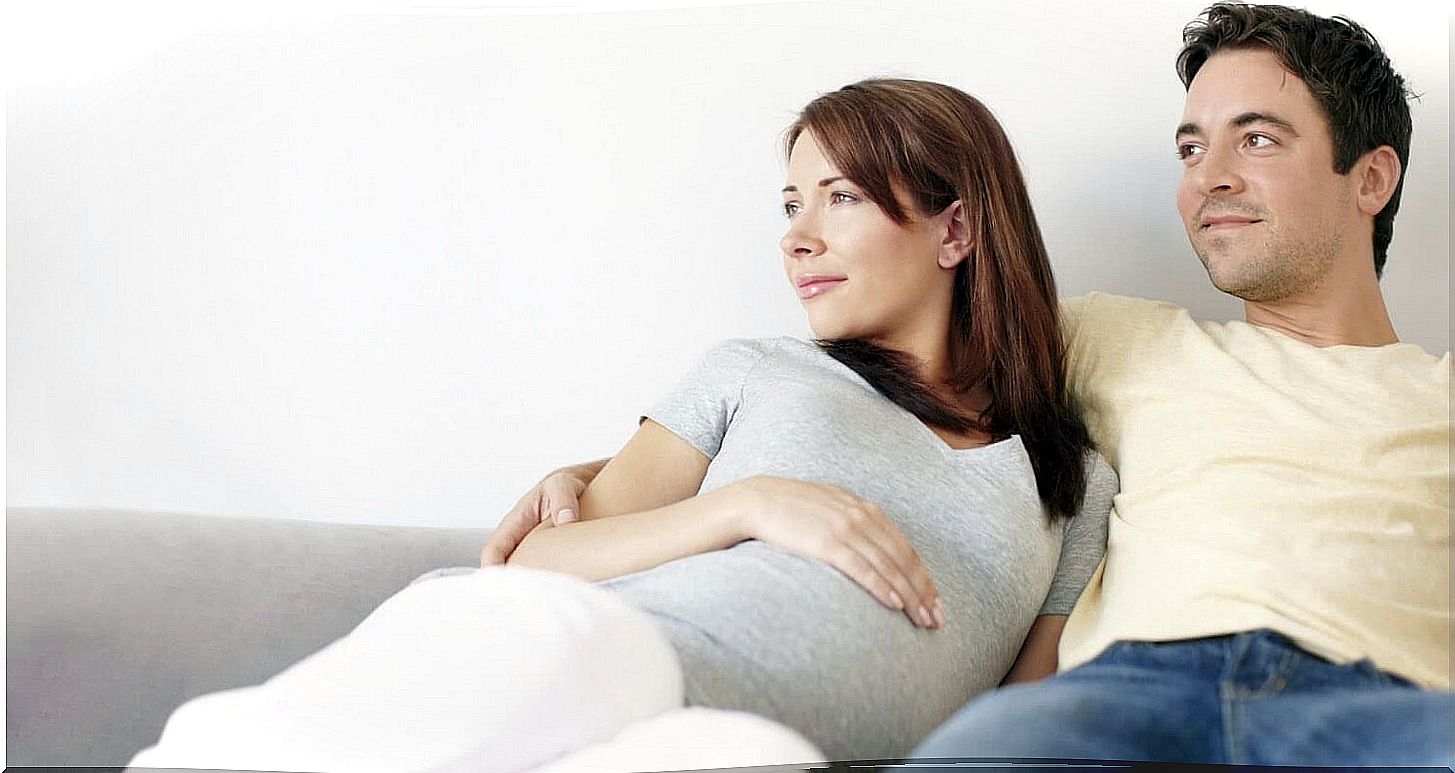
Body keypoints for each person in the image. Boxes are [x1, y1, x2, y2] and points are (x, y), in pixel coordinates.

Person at [487, 4, 1452, 767]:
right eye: (1191, 146)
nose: (1209, 177)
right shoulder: (1114, 340)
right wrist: (611, 467)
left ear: (1369, 179)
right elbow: (910, 359)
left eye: (1257, 139)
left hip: (1376, 698)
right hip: (1128, 690)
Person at [129, 78, 1117, 771]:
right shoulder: (757, 371)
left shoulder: (1070, 481)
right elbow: (531, 567)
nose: (796, 235)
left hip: (744, 744)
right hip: (610, 642)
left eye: (841, 196)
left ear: (955, 227)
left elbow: (1016, 721)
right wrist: (746, 504)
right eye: (790, 202)